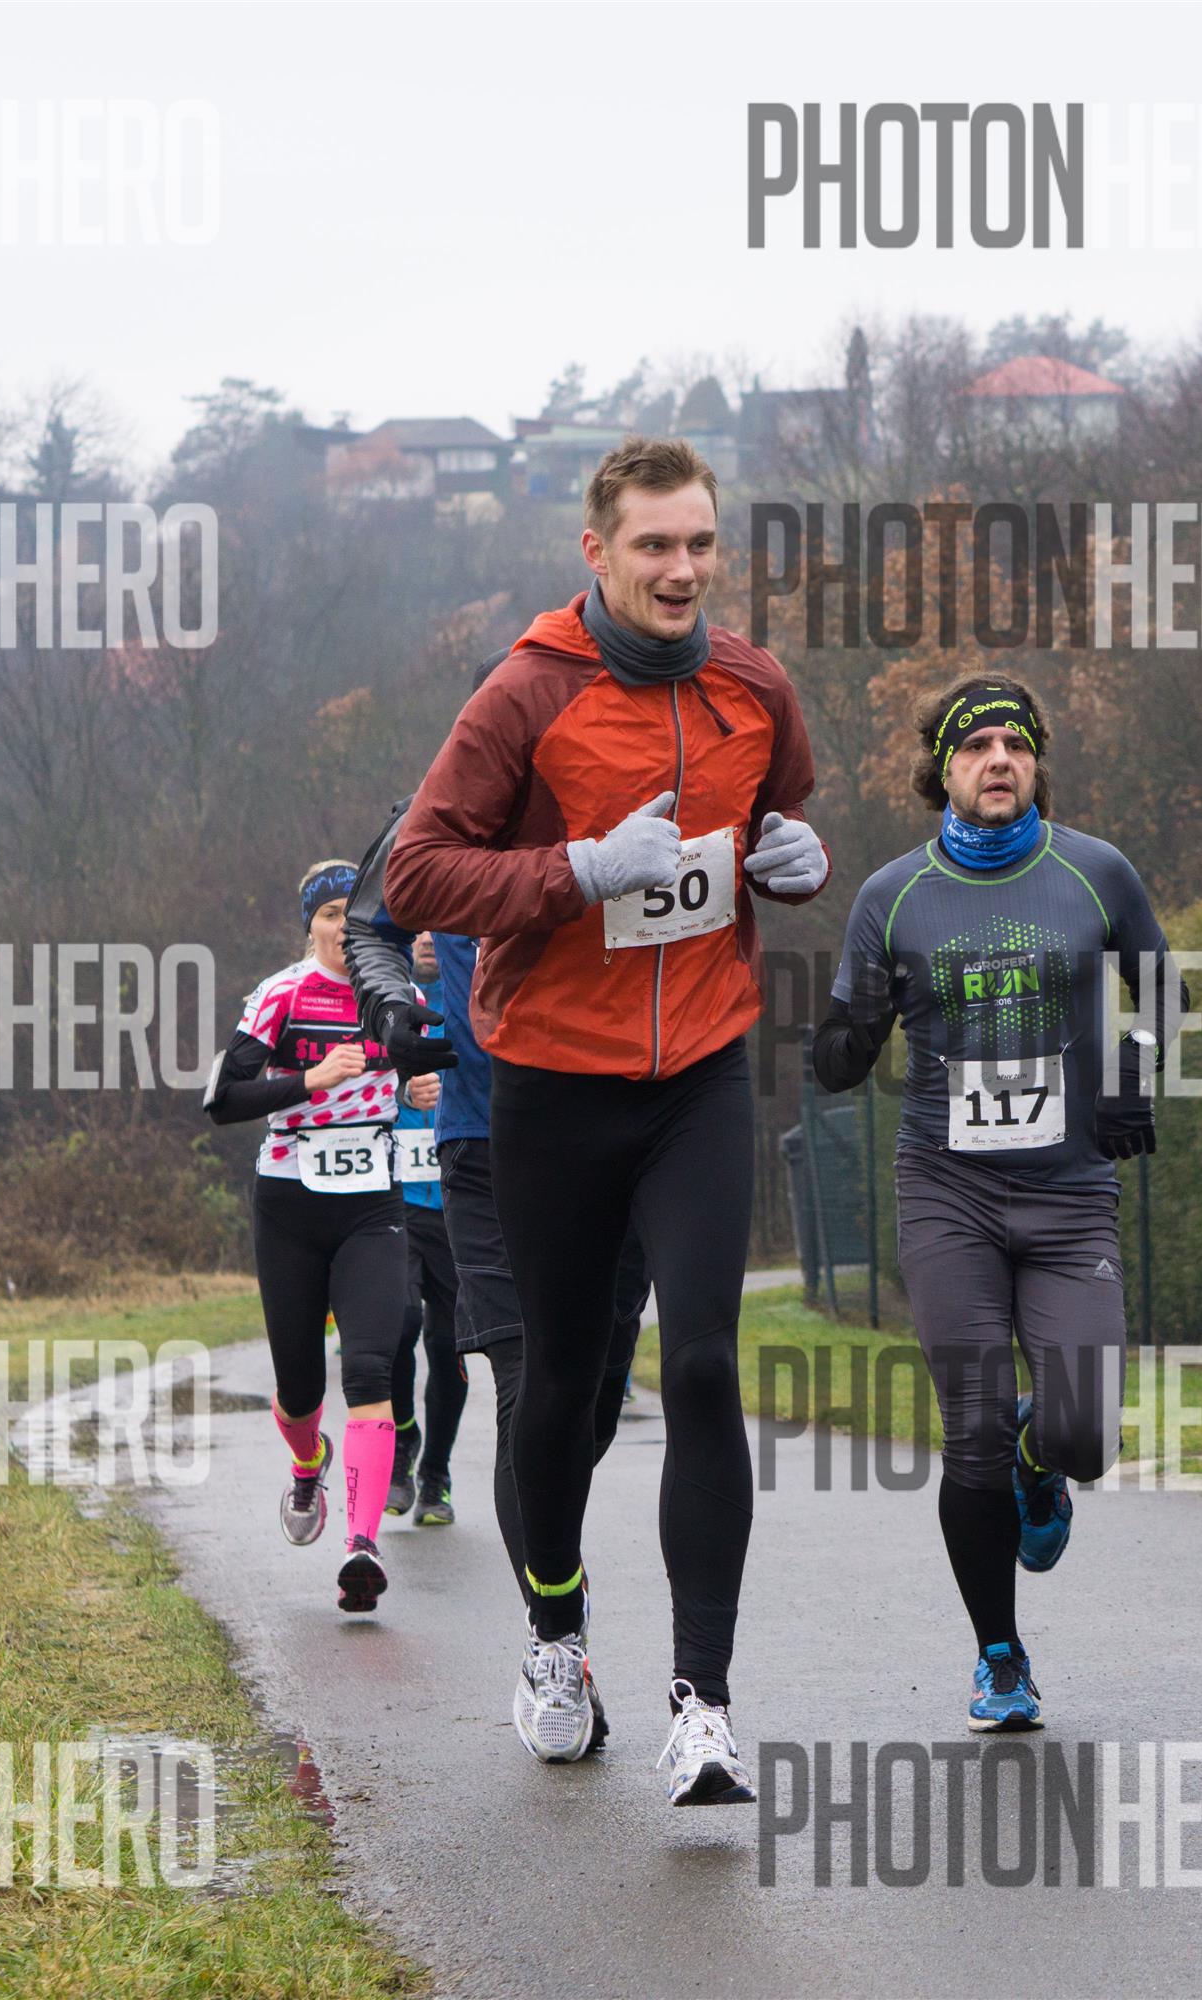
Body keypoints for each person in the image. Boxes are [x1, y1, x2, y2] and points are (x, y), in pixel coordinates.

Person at [380, 435, 833, 1803]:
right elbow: (417, 874)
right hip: (553, 1086)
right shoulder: (527, 692)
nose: (682, 569)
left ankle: (706, 1702)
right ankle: (557, 1636)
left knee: (701, 1364)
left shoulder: (755, 684)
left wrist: (795, 858)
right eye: (654, 545)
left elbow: (780, 810)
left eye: (699, 543)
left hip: (699, 1071)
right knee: (564, 1389)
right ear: (597, 551)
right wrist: (577, 870)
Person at [811, 677, 1176, 1733]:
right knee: (967, 1429)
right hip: (948, 1194)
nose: (999, 759)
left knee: (1086, 1430)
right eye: (975, 746)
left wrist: (1130, 1073)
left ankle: (1041, 1457)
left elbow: (1160, 984)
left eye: (1016, 742)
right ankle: (1000, 1656)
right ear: (944, 771)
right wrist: (852, 1031)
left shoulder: (1095, 870)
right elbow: (836, 1052)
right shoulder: (894, 894)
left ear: (1037, 762)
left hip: (1069, 1193)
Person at [348, 788, 662, 1755]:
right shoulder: (451, 804)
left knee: (589, 1406)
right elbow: (371, 923)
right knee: (529, 1386)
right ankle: (555, 1643)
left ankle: (551, 1588)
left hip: (622, 1132)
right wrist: (392, 1004)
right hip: (486, 1142)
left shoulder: (636, 781)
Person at [201, 859, 442, 1616]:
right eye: (331, 914)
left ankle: (361, 1546)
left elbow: (419, 1076)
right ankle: (309, 1464)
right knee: (301, 1387)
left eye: (354, 914)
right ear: (311, 926)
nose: (344, 927)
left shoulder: (401, 997)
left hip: (373, 1204)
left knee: (370, 1367)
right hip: (290, 1203)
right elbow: (223, 1099)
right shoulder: (282, 993)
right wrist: (310, 1081)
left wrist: (417, 1087)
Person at [379, 931, 461, 1527]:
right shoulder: (382, 1001)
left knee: (449, 1346)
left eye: (439, 923)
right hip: (399, 1200)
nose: (429, 937)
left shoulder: (476, 990)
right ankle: (404, 1436)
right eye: (417, 927)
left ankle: (435, 1473)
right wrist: (402, 1091)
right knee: (399, 1326)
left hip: (462, 1202)